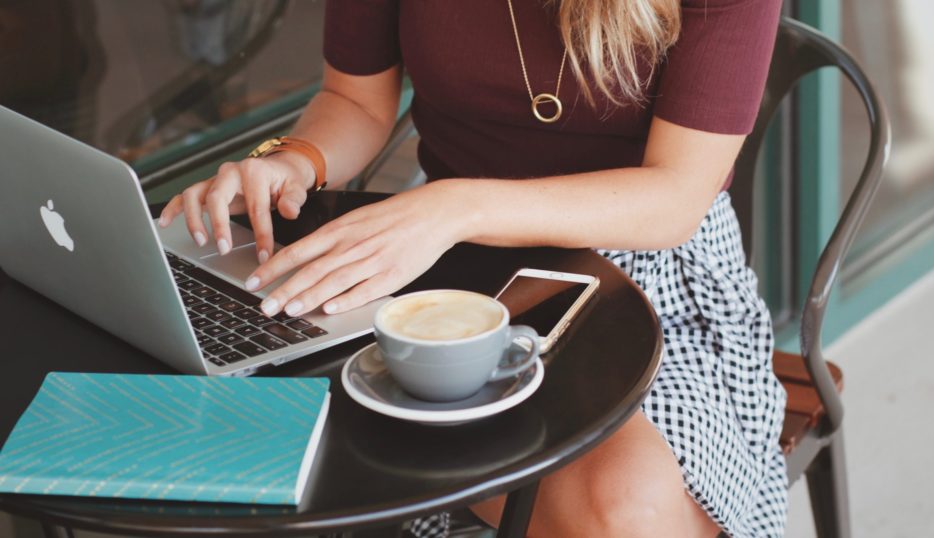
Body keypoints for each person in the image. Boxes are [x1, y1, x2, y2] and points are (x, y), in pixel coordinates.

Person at [159, 0, 787, 535]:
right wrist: (290, 162)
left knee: (627, 506)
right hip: (443, 258)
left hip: (648, 273)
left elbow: (675, 196)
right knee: (287, 435)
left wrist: (455, 206)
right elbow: (355, 99)